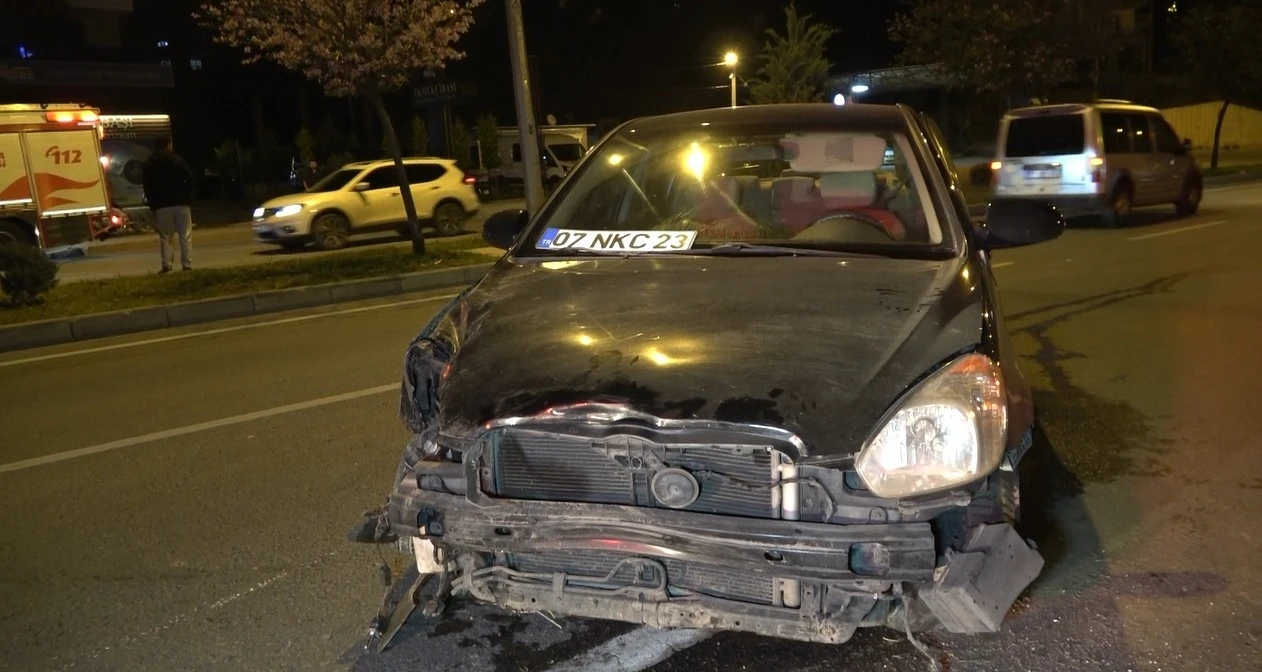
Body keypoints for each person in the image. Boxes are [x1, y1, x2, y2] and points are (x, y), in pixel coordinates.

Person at [141, 136, 195, 272]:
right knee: (185, 235)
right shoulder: (178, 160)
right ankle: (186, 264)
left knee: (165, 236)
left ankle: (167, 264)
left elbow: (147, 186)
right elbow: (190, 180)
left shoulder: (150, 164)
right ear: (168, 145)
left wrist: (152, 203)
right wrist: (187, 197)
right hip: (181, 203)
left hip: (162, 205)